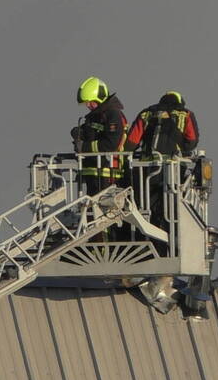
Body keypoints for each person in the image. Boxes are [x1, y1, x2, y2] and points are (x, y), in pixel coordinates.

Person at [123, 91, 200, 250]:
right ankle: (169, 246)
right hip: (173, 170)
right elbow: (191, 142)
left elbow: (131, 143)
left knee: (144, 209)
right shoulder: (185, 114)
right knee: (170, 210)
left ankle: (145, 245)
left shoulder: (146, 114)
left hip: (146, 171)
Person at [71, 76, 128, 196]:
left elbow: (110, 144)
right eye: (86, 103)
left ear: (100, 98)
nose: (88, 105)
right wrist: (78, 133)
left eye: (91, 102)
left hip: (108, 174)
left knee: (105, 212)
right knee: (90, 212)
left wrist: (84, 147)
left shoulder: (113, 115)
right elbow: (90, 134)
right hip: (93, 172)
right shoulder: (94, 116)